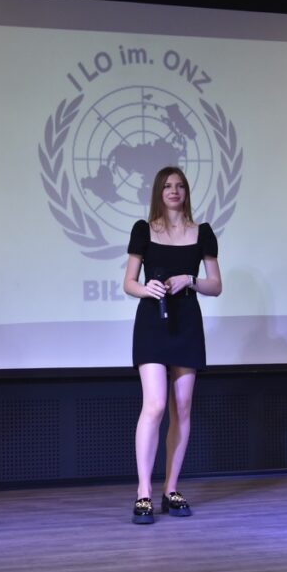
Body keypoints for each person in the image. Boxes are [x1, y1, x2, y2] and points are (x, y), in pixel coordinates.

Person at [123, 166, 222, 524]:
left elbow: (215, 285)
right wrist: (145, 288)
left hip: (186, 323)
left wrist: (190, 279)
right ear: (158, 192)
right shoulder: (144, 229)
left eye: (180, 186)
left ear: (186, 192)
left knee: (182, 406)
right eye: (167, 186)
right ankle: (143, 492)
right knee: (155, 405)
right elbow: (129, 282)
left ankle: (171, 489)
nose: (174, 191)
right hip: (153, 320)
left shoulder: (202, 232)